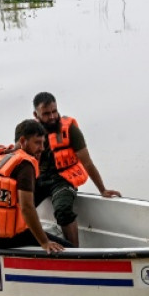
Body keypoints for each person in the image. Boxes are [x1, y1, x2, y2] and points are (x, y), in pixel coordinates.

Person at [31, 92, 120, 247]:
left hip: (63, 179)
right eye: (46, 114)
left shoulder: (70, 129)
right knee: (18, 206)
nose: (52, 116)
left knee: (63, 211)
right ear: (36, 114)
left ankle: (74, 252)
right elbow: (18, 156)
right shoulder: (30, 130)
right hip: (39, 179)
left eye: (54, 111)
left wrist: (102, 190)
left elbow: (87, 162)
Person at [0, 119, 68, 253]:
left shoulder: (0, 154)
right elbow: (27, 207)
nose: (42, 148)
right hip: (3, 238)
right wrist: (45, 242)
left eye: (43, 143)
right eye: (37, 143)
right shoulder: (25, 165)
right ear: (22, 141)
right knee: (69, 249)